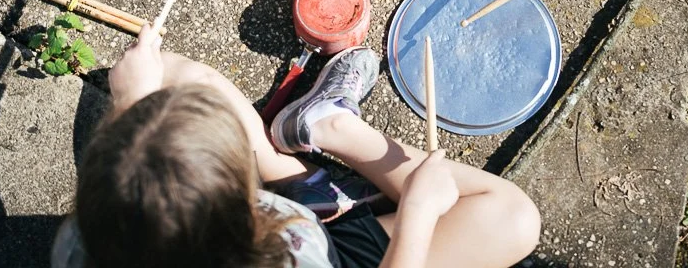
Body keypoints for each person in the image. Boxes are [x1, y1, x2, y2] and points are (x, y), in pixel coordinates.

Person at [51, 26, 540, 268]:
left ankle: (295, 165)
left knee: (171, 75)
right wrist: (417, 210)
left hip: (279, 229)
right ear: (245, 218)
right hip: (328, 255)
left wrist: (135, 99)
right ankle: (331, 128)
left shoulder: (81, 249)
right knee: (513, 216)